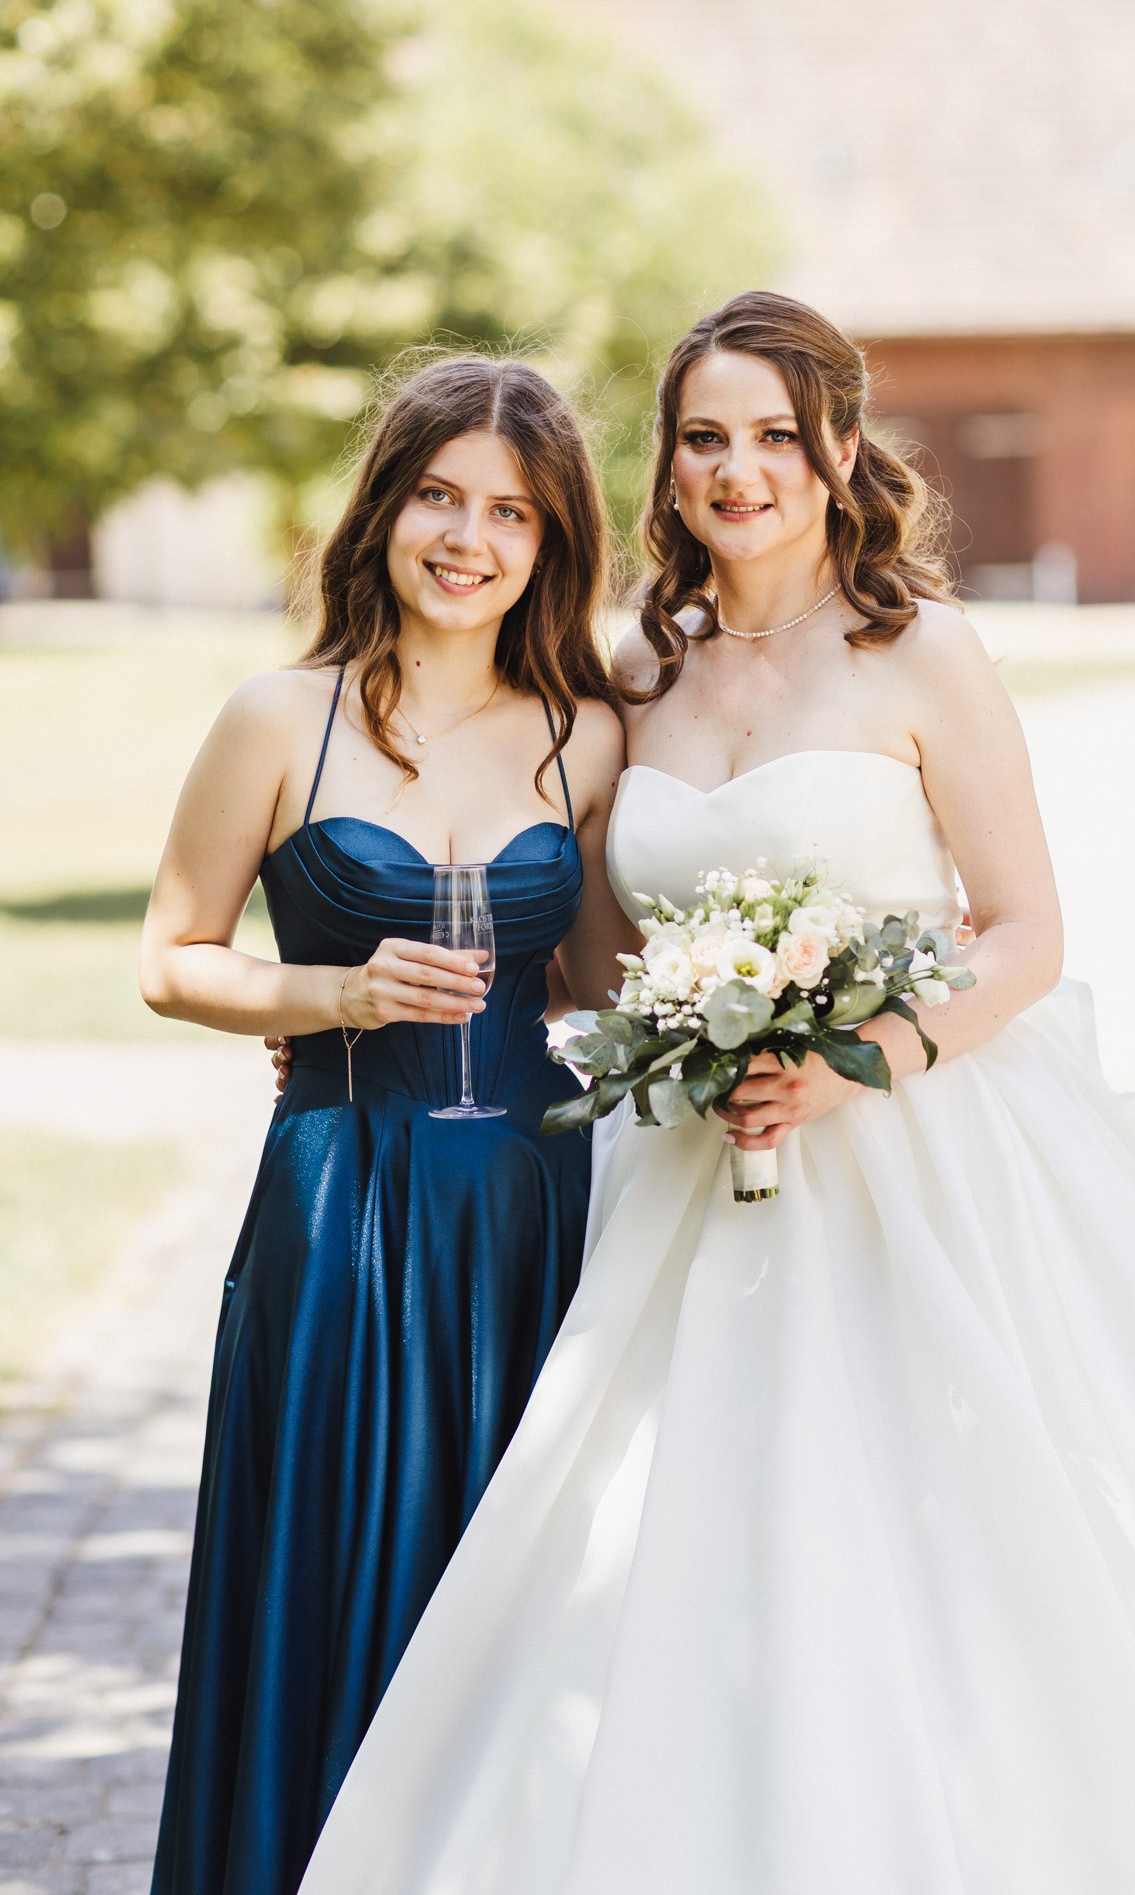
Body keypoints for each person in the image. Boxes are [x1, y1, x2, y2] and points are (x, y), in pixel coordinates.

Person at [298, 292, 1135, 1895]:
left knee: (944, 1520)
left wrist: (854, 1062)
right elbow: (586, 961)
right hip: (689, 1166)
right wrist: (350, 1020)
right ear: (669, 470)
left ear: (836, 454)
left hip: (920, 1144)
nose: (738, 468)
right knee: (655, 1533)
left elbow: (1025, 935)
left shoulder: (923, 651)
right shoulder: (634, 673)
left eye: (773, 434)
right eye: (704, 438)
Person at [138, 354, 632, 1895]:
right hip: (341, 1206)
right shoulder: (280, 718)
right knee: (337, 1558)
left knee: (510, 1579)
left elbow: (616, 980)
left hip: (533, 1213)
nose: (468, 537)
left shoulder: (587, 737)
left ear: (552, 544)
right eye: (438, 495)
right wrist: (335, 997)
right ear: (386, 507)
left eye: (512, 512)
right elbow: (171, 958)